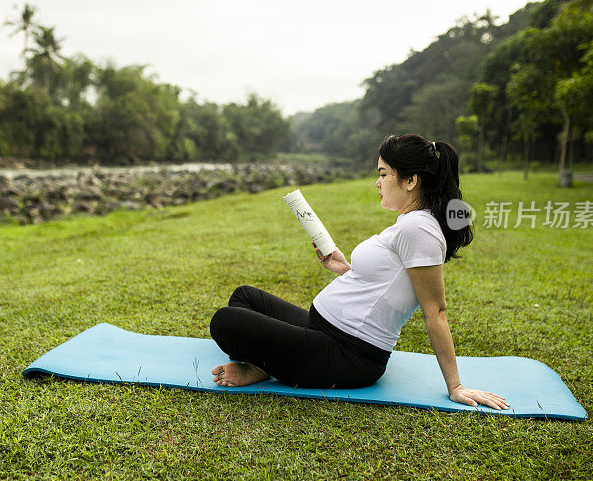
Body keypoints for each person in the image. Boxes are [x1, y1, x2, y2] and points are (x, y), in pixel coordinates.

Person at [209, 134, 509, 410]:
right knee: (244, 296)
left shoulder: (419, 228)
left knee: (226, 321)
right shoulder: (413, 222)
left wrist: (455, 386)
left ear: (410, 180)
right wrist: (345, 269)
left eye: (383, 174)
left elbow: (437, 312)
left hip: (347, 354)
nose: (377, 183)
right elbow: (387, 286)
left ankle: (266, 365)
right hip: (323, 330)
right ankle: (271, 362)